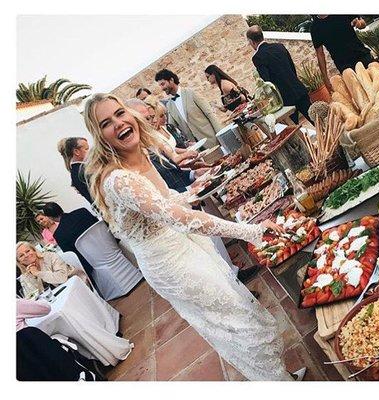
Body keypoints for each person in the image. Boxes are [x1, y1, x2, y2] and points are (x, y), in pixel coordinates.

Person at [82, 93, 305, 381]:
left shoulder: (140, 154)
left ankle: (278, 378)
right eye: (106, 123)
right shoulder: (119, 180)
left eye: (119, 113)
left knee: (237, 310)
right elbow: (182, 219)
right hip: (169, 261)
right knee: (235, 322)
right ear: (99, 136)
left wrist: (190, 191)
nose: (118, 123)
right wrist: (251, 230)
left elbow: (164, 205)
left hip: (183, 244)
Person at [125, 98, 261, 294]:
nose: (153, 122)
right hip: (179, 212)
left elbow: (174, 172)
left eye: (151, 117)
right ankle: (234, 286)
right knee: (210, 255)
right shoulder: (138, 156)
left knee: (215, 248)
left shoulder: (150, 145)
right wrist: (189, 190)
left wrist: (192, 176)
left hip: (188, 199)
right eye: (146, 119)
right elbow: (160, 194)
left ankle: (234, 278)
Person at [246, 25, 312, 125]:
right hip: (298, 89)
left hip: (285, 99)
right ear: (262, 35)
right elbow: (292, 68)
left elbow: (267, 82)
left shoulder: (258, 57)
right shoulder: (279, 46)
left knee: (293, 130)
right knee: (316, 120)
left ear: (251, 41)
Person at [154, 69, 223, 149]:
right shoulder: (169, 105)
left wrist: (221, 134)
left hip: (212, 141)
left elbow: (210, 114)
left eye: (163, 84)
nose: (162, 88)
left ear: (171, 80)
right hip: (196, 149)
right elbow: (173, 128)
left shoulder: (191, 93)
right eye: (160, 86)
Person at [310, 15, 373, 92]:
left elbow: (363, 23)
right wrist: (325, 78)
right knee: (360, 94)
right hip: (344, 66)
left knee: (378, 85)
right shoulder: (315, 28)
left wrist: (359, 24)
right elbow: (320, 54)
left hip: (362, 55)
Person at [41, 202, 98, 278]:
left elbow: (72, 257)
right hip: (109, 249)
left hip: (92, 265)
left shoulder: (59, 235)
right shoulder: (82, 212)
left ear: (50, 217)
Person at [16, 241, 88, 299]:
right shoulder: (24, 276)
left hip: (77, 287)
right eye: (21, 255)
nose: (26, 255)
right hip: (58, 297)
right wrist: (31, 277)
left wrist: (38, 273)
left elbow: (61, 278)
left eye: (28, 251)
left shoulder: (50, 256)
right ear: (19, 262)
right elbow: (33, 297)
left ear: (34, 250)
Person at [57, 137, 92, 204]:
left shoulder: (77, 170)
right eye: (86, 149)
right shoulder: (82, 171)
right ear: (76, 152)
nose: (90, 151)